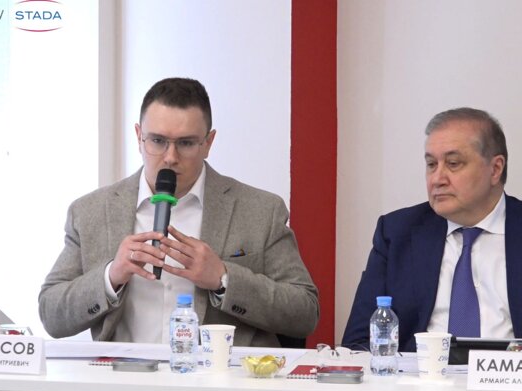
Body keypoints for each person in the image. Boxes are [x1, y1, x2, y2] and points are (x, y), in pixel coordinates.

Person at [39, 77, 319, 348]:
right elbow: (51, 314)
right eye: (157, 141)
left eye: (186, 143)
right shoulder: (90, 212)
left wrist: (224, 279)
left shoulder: (260, 210)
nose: (170, 157)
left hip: (220, 379)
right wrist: (111, 276)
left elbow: (305, 312)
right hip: (124, 378)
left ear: (208, 143)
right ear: (139, 137)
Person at [342, 107, 522, 357]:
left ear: (495, 169)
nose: (437, 178)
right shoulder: (397, 233)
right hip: (422, 387)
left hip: (520, 387)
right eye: (431, 164)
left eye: (453, 163)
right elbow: (359, 343)